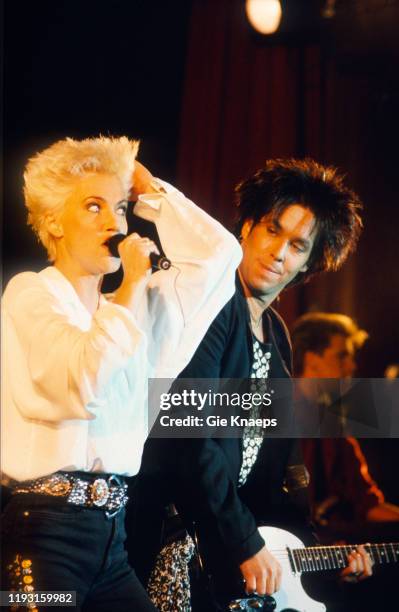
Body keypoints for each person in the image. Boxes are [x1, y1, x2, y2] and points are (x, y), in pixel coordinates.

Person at [1, 135, 241, 611]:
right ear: (53, 220)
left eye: (118, 208)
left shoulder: (133, 311)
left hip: (113, 538)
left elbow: (221, 258)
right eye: (93, 207)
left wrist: (150, 191)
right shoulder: (30, 295)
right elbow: (83, 381)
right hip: (42, 537)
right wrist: (132, 283)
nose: (114, 222)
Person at [131, 158, 372, 611]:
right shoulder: (214, 307)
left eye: (298, 245)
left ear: (310, 263)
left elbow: (273, 472)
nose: (279, 251)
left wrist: (316, 554)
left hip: (227, 546)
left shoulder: (279, 335)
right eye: (271, 230)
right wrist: (243, 541)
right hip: (174, 539)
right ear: (244, 228)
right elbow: (192, 437)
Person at [291, 312, 399, 527]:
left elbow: (367, 502)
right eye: (342, 356)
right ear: (311, 358)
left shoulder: (331, 422)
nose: (351, 366)